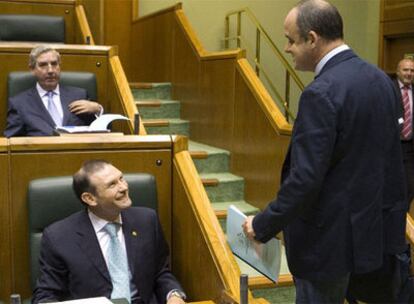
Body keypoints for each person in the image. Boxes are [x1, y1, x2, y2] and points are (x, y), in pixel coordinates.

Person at [242, 0, 406, 303]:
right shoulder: (382, 81)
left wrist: (263, 224)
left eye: (291, 40)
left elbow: (305, 178)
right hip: (372, 237)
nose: (288, 48)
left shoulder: (321, 93)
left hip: (326, 244)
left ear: (312, 39)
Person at [32, 160, 186, 304]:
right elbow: (47, 295)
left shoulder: (147, 220)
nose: (124, 187)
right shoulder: (59, 237)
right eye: (112, 185)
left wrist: (173, 294)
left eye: (121, 178)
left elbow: (160, 272)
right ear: (90, 198)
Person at [4, 45, 103, 137]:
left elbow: (102, 133)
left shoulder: (79, 95)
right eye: (43, 65)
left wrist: (98, 110)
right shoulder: (19, 103)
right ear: (32, 69)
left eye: (54, 64)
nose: (50, 70)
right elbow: (11, 142)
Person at [395, 58, 414, 210]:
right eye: (405, 70)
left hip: (410, 148)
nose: (409, 73)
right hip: (392, 146)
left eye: (412, 70)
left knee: (409, 187)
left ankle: (403, 218)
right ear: (398, 72)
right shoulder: (389, 88)